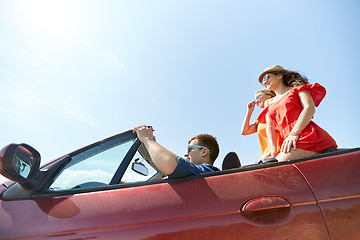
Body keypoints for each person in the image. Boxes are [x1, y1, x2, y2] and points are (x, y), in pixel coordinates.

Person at [257, 65, 337, 162]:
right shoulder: (269, 102)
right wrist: (273, 149)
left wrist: (294, 133)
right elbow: (270, 126)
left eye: (266, 77)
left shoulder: (297, 89)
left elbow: (309, 108)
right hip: (287, 141)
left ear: (279, 76)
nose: (265, 82)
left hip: (304, 135)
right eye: (262, 82)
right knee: (266, 165)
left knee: (274, 166)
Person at [133, 125, 220, 179]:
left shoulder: (207, 172)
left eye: (189, 150)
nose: (185, 154)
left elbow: (171, 165)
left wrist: (146, 138)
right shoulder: (195, 175)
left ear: (203, 152)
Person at [241, 89, 278, 162]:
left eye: (258, 97)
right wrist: (249, 112)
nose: (256, 101)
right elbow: (244, 131)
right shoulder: (260, 119)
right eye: (255, 99)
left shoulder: (277, 110)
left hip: (279, 153)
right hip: (266, 156)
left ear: (269, 96)